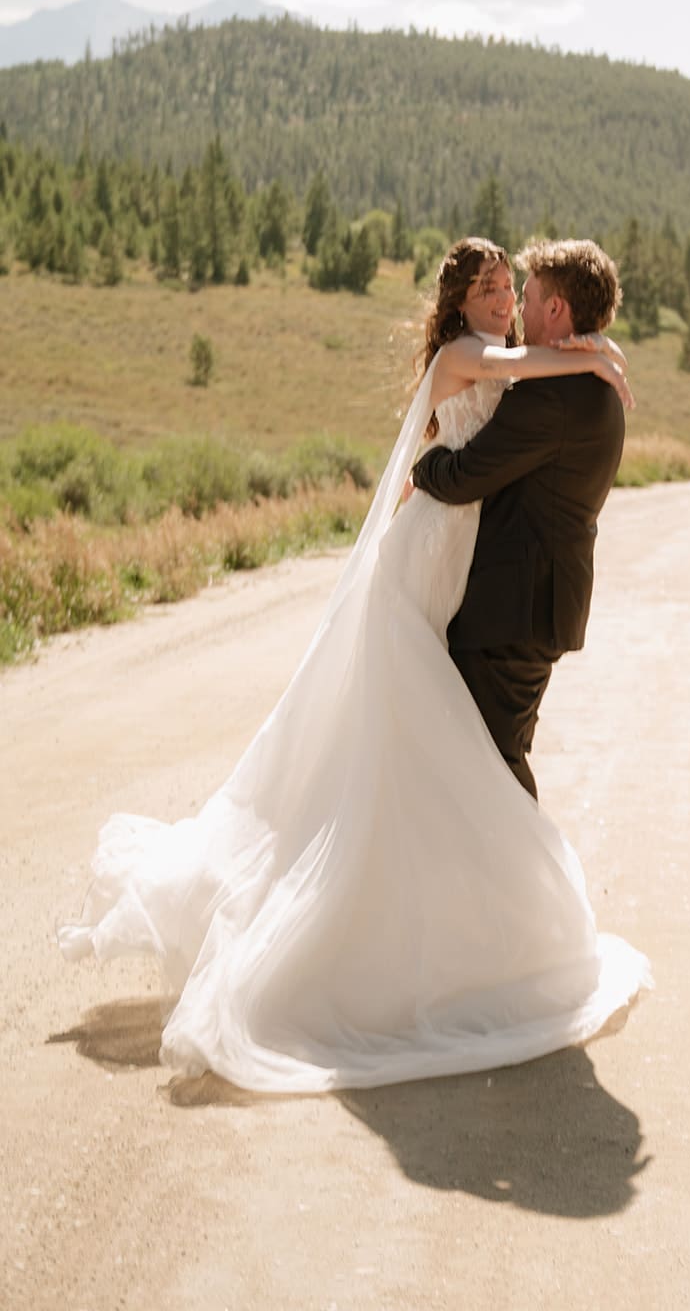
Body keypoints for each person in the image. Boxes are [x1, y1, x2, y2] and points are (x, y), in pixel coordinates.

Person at [58, 238, 650, 1093]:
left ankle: (476, 931)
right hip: (446, 558)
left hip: (488, 582)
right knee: (447, 749)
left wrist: (583, 356)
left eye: (515, 288)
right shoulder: (481, 355)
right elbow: (501, 390)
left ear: (551, 305)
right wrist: (592, 353)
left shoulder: (546, 378)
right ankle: (483, 934)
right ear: (460, 304)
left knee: (456, 754)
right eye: (490, 288)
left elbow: (483, 443)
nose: (507, 297)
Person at [413, 237, 627, 802]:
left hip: (513, 613)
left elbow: (464, 477)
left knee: (493, 766)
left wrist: (426, 464)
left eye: (526, 295)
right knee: (486, 757)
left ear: (556, 309)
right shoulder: (590, 381)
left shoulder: (554, 396)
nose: (517, 309)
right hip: (531, 606)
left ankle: (531, 888)